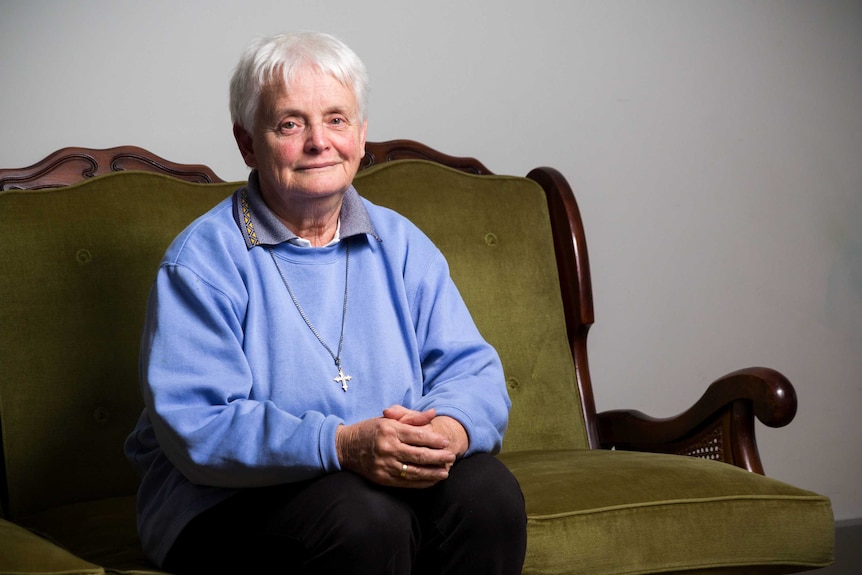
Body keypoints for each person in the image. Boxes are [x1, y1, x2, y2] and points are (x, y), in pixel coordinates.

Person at [124, 31, 527, 574]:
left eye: (336, 120)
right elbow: (197, 425)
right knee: (364, 519)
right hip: (224, 500)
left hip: (378, 482)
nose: (319, 141)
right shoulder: (202, 261)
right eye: (290, 123)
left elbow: (471, 370)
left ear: (361, 136)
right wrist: (341, 445)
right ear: (247, 143)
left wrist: (447, 432)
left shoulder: (401, 243)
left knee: (489, 494)